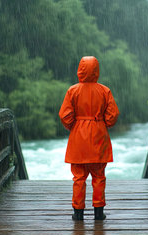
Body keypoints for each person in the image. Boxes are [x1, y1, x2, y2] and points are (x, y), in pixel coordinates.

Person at [59, 56, 119, 221]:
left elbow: (64, 115)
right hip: (98, 135)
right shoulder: (104, 90)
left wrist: (75, 125)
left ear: (80, 69)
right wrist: (103, 123)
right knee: (99, 176)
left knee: (79, 178)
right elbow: (113, 115)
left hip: (78, 137)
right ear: (96, 70)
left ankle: (78, 214)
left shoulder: (73, 90)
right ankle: (98, 213)